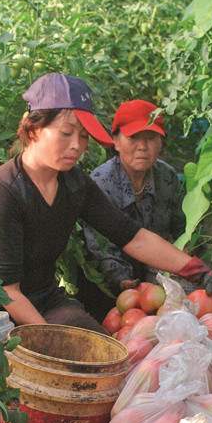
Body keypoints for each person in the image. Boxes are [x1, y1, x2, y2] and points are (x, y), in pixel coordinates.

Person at [0, 73, 212, 333]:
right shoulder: (5, 192)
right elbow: (6, 289)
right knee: (69, 355)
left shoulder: (74, 184)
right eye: (66, 133)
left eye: (84, 136)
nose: (76, 146)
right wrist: (48, 337)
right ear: (32, 130)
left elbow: (132, 236)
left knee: (105, 350)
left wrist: (194, 269)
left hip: (44, 298)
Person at [82, 99, 186, 296]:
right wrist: (124, 283)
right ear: (116, 141)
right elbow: (102, 250)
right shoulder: (101, 183)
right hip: (113, 284)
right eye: (134, 137)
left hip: (160, 272)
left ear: (160, 142)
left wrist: (186, 256)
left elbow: (182, 228)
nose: (143, 147)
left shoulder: (167, 177)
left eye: (150, 138)